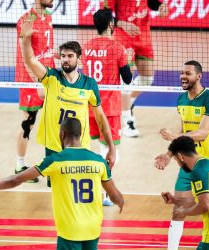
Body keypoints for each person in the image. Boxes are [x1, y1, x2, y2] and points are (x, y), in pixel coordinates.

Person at [0, 117, 124, 249]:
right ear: (81, 134)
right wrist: (120, 202)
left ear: (62, 134)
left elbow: (16, 179)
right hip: (92, 229)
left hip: (70, 230)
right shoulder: (98, 161)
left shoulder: (55, 160)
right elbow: (115, 196)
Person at [154, 61, 209, 249]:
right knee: (178, 210)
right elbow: (185, 131)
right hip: (189, 165)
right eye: (181, 73)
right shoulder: (181, 100)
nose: (183, 76)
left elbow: (202, 133)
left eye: (187, 73)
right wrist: (168, 154)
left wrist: (175, 136)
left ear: (199, 76)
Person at [19, 18, 117, 168]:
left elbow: (101, 118)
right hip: (54, 146)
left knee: (76, 188)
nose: (65, 59)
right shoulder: (51, 78)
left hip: (80, 146)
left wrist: (112, 147)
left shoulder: (89, 84)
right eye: (63, 56)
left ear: (79, 58)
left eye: (70, 56)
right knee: (56, 189)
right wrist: (25, 39)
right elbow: (30, 59)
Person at [82, 8, 133, 205]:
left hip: (89, 105)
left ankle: (89, 186)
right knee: (110, 152)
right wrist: (127, 59)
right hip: (109, 108)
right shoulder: (117, 48)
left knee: (91, 147)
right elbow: (128, 80)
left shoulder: (85, 47)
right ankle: (102, 192)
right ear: (111, 25)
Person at [161, 136, 209, 249]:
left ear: (180, 156)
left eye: (176, 160)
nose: (178, 165)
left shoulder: (199, 171)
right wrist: (175, 200)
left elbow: (205, 206)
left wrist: (184, 212)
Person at [104, 0, 167, 138]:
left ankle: (127, 103)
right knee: (126, 81)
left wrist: (161, 7)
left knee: (147, 78)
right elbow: (104, 15)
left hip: (143, 35)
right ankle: (128, 122)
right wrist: (121, 23)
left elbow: (153, 3)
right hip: (123, 36)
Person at [14, 0, 56, 182]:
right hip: (32, 80)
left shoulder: (48, 16)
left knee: (54, 121)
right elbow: (25, 57)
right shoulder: (26, 21)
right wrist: (38, 83)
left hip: (48, 76)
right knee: (28, 123)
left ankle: (51, 165)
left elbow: (46, 50)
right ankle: (19, 165)